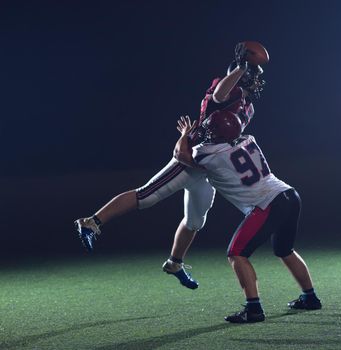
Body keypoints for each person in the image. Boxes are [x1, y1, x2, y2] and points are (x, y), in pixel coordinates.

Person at [74, 43, 266, 290]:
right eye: (254, 77)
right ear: (241, 75)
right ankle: (91, 222)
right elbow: (219, 96)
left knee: (196, 220)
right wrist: (240, 68)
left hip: (209, 168)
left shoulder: (248, 107)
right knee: (146, 196)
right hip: (191, 158)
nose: (257, 83)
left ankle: (175, 262)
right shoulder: (227, 89)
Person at [173, 111, 322, 323]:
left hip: (267, 203)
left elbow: (180, 155)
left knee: (236, 253)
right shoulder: (248, 139)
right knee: (285, 250)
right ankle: (310, 297)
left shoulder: (208, 154)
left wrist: (185, 134)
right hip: (289, 194)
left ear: (216, 133)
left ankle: (254, 309)